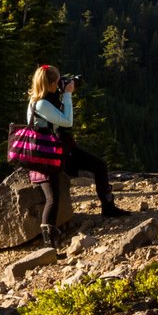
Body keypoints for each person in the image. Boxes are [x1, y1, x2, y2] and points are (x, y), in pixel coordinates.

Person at [27, 64, 127, 248]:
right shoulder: (41, 104)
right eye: (57, 81)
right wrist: (67, 94)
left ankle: (108, 207)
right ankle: (49, 244)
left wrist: (65, 92)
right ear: (50, 84)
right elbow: (67, 121)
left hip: (61, 151)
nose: (60, 84)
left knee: (99, 166)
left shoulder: (48, 99)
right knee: (52, 198)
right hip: (46, 157)